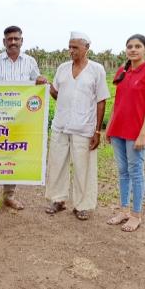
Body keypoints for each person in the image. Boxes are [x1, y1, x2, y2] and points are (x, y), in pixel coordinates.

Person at [0, 25, 47, 210]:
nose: (13, 42)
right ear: (4, 42)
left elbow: (37, 85)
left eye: (16, 39)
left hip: (20, 120)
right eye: (9, 39)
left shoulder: (30, 62)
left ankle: (9, 195)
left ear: (22, 41)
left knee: (12, 155)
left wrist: (40, 81)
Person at [45, 32, 110, 220]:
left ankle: (83, 205)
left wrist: (97, 130)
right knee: (57, 163)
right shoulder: (62, 68)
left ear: (86, 48)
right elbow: (56, 92)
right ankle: (58, 200)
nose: (71, 51)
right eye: (69, 47)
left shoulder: (96, 70)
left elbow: (101, 101)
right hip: (61, 125)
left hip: (84, 127)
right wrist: (51, 90)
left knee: (84, 167)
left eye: (75, 47)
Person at [106, 34, 145, 232]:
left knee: (136, 173)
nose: (133, 49)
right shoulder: (122, 70)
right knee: (123, 172)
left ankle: (136, 214)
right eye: (130, 46)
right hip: (118, 130)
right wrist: (109, 126)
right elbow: (118, 102)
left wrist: (143, 133)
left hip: (136, 132)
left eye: (138, 46)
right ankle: (123, 211)